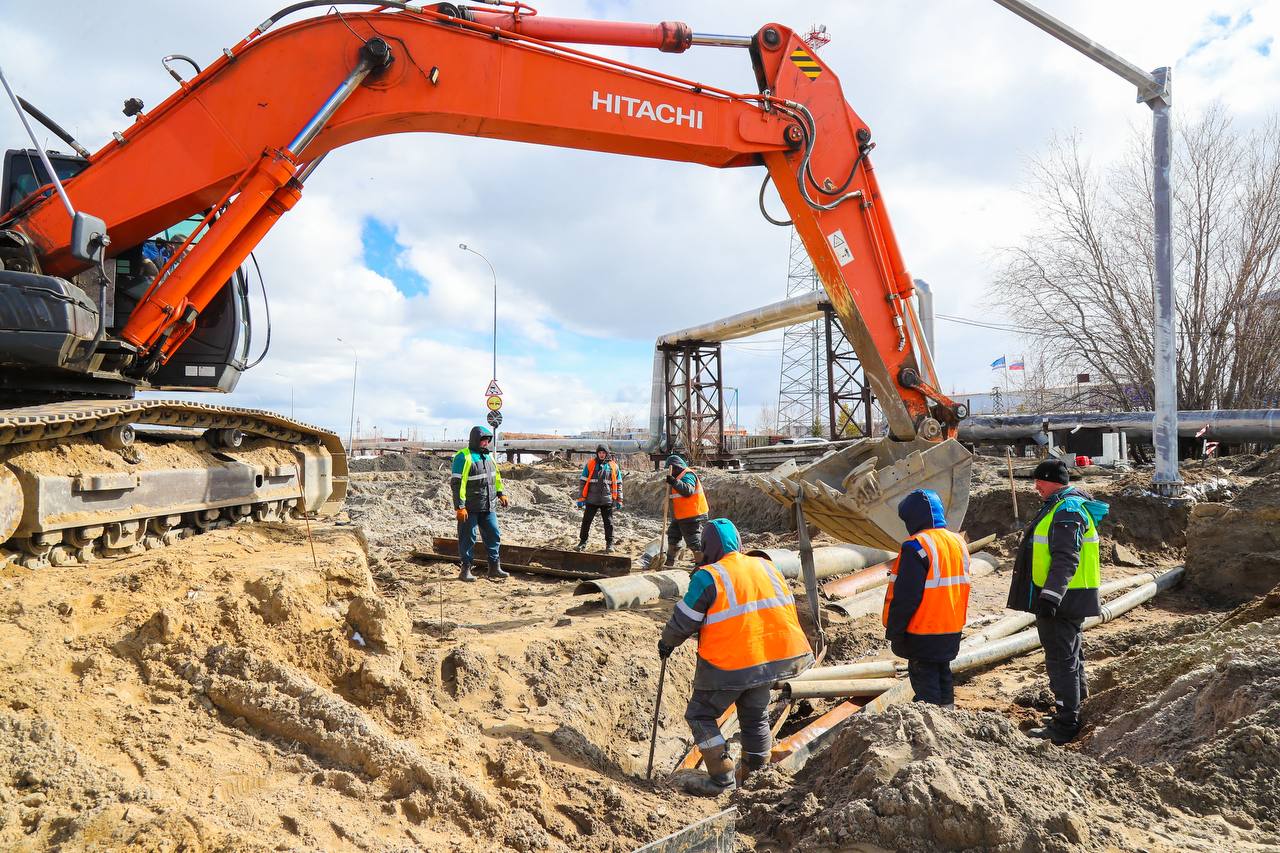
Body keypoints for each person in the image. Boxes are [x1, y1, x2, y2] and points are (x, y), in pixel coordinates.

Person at [658, 518, 813, 796]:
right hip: (771, 657)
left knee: (700, 714)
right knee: (755, 717)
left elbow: (684, 620)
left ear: (707, 547)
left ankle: (722, 778)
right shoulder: (765, 565)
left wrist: (666, 644)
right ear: (738, 543)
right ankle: (756, 778)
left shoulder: (709, 576)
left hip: (729, 663)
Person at [1007, 458, 1109, 744]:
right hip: (1068, 597)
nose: (1036, 485)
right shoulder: (1061, 506)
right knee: (1071, 656)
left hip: (1063, 600)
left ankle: (1066, 724)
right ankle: (1076, 708)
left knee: (1061, 660)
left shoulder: (1066, 510)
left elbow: (1066, 558)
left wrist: (1050, 597)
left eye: (1040, 480)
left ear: (1054, 480)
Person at [882, 489, 971, 708]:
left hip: (922, 630)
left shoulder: (917, 546)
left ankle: (932, 728)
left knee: (926, 685)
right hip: (951, 627)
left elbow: (906, 597)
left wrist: (895, 631)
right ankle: (948, 718)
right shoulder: (958, 542)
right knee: (942, 674)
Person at [450, 425, 509, 582]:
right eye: (483, 440)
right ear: (476, 440)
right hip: (469, 507)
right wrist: (460, 507)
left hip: (488, 505)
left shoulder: (488, 457)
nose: (485, 443)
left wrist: (500, 493)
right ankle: (465, 570)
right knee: (468, 537)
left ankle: (494, 568)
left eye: (487, 440)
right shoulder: (463, 456)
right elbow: (457, 483)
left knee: (493, 534)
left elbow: (495, 477)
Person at [575, 444, 623, 553]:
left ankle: (609, 544)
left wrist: (619, 499)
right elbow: (582, 482)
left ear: (607, 454)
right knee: (586, 521)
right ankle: (583, 542)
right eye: (599, 453)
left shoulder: (613, 466)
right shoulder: (590, 464)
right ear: (597, 453)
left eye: (603, 453)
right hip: (592, 500)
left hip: (607, 500)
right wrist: (581, 499)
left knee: (609, 523)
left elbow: (619, 484)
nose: (601, 455)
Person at [664, 454, 708, 566]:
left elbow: (688, 491)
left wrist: (674, 482)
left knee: (693, 539)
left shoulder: (687, 475)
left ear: (676, 467)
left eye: (671, 469)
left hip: (692, 514)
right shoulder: (678, 476)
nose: (670, 472)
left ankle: (702, 563)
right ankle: (670, 561)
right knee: (673, 535)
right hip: (680, 515)